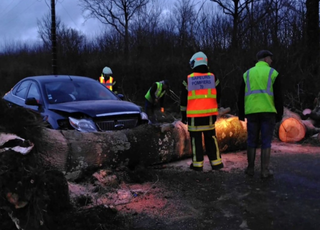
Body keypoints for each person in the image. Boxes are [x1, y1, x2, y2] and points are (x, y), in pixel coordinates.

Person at [237, 50, 283, 179]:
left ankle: (250, 169)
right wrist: (279, 114)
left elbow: (240, 96)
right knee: (266, 142)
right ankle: (264, 171)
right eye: (270, 58)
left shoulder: (247, 74)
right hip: (268, 112)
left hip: (252, 112)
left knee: (251, 140)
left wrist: (241, 113)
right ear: (265, 59)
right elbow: (278, 96)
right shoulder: (273, 73)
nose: (271, 61)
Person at [180, 51, 223, 171]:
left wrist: (183, 115)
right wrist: (215, 106)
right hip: (209, 115)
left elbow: (183, 99)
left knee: (196, 140)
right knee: (211, 138)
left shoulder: (188, 79)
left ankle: (198, 165)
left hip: (194, 117)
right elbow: (219, 94)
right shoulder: (213, 77)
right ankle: (216, 163)